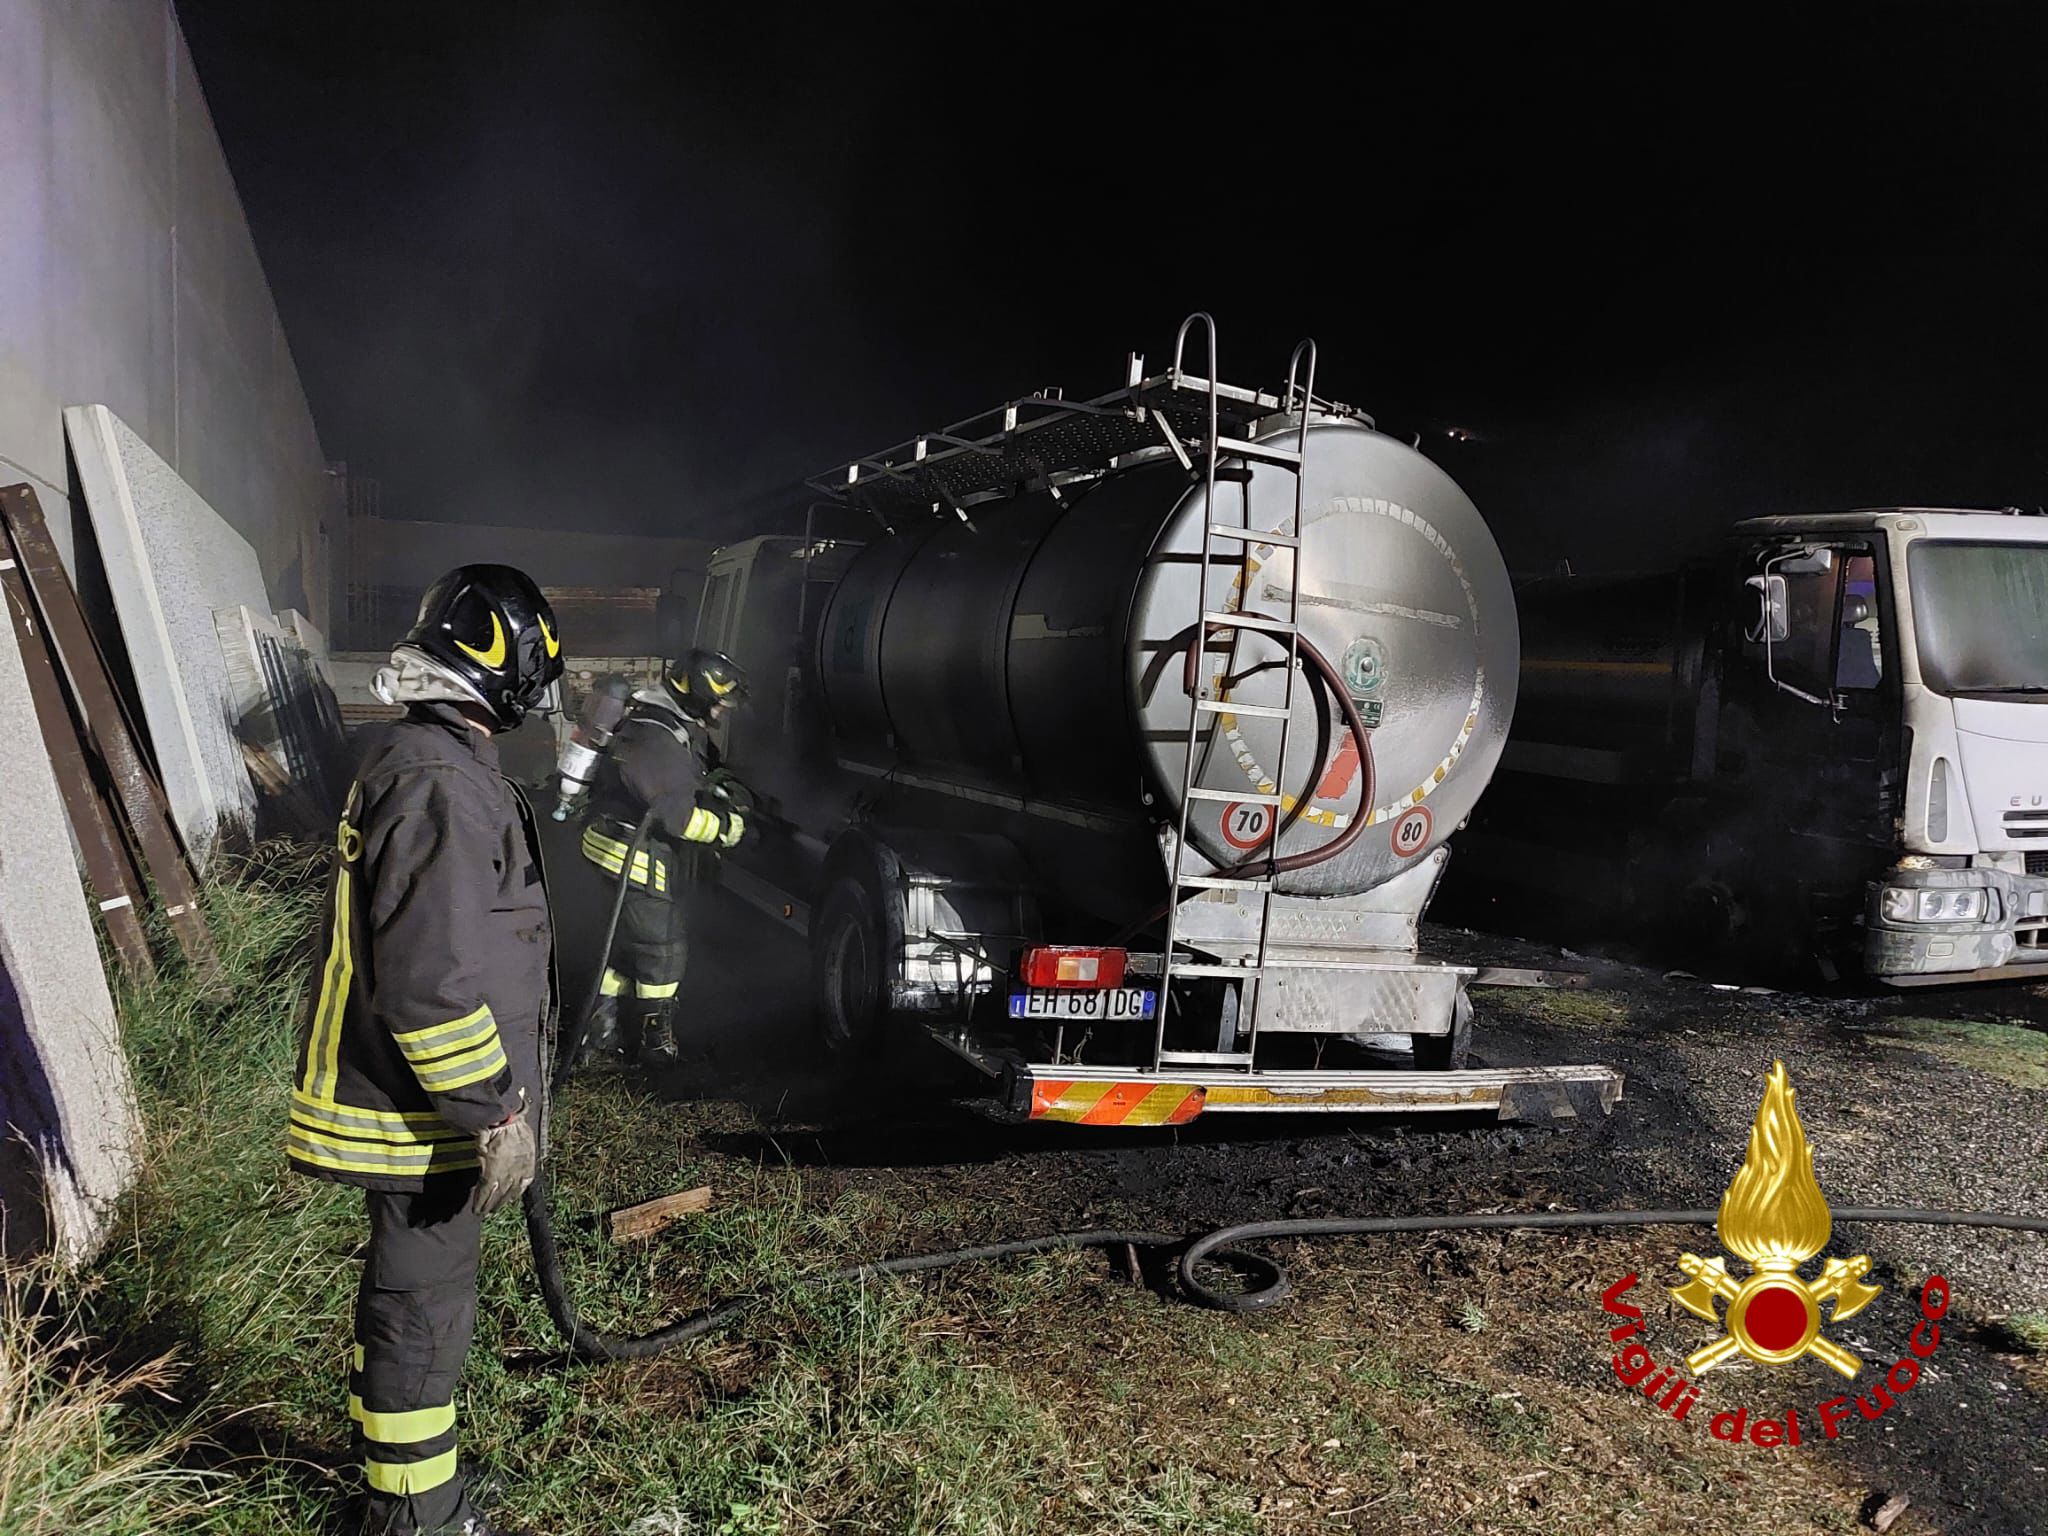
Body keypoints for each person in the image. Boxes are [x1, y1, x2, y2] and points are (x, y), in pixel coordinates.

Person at [287, 565, 564, 1536]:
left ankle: (392, 1493)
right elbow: (428, 983)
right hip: (426, 1121)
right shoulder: (443, 780)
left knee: (405, 1302)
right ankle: (415, 1519)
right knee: (420, 1314)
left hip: (417, 1110)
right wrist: (492, 1110)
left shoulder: (421, 760)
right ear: (515, 666)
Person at [575, 648, 749, 1069]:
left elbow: (685, 779)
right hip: (632, 856)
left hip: (611, 848)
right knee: (662, 950)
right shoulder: (655, 733)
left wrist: (717, 786)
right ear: (698, 694)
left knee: (619, 953)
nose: (722, 712)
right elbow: (677, 818)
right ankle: (656, 1050)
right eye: (718, 703)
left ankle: (600, 1042)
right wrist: (727, 829)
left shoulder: (667, 724)